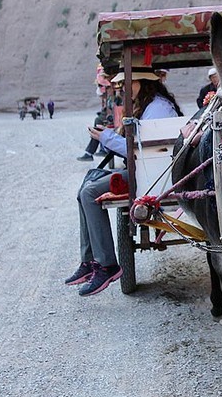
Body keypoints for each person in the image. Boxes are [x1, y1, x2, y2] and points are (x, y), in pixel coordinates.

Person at [65, 69, 184, 296]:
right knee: (86, 187)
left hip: (152, 176)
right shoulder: (152, 104)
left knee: (89, 193)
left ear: (142, 83)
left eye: (127, 84)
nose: (123, 89)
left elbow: (141, 150)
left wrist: (105, 138)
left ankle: (107, 265)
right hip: (145, 170)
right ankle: (89, 261)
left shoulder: (158, 108)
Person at [78, 66, 116, 162]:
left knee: (98, 122)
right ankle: (94, 151)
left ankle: (92, 152)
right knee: (98, 123)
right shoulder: (110, 95)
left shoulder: (113, 95)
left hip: (113, 119)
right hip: (111, 117)